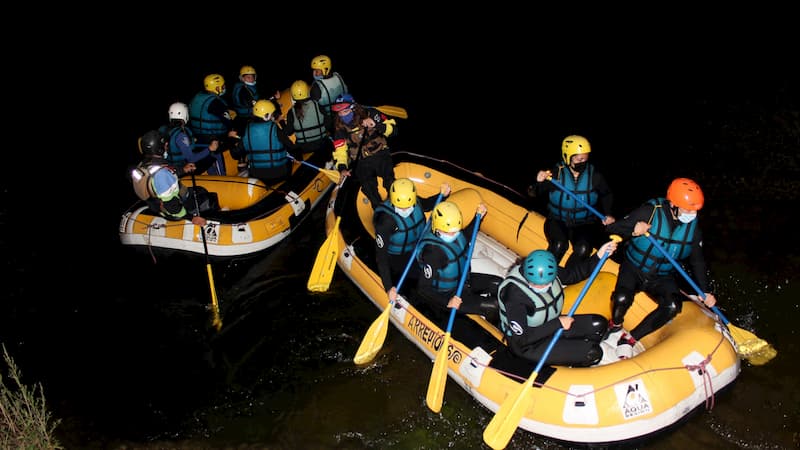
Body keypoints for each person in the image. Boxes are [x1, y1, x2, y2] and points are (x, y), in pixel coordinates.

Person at [605, 177, 717, 358]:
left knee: (673, 305)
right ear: (673, 204)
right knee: (622, 297)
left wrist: (705, 292)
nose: (692, 214)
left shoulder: (693, 229)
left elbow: (697, 261)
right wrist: (634, 230)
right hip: (634, 268)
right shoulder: (649, 211)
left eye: (694, 210)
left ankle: (629, 339)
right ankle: (615, 324)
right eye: (687, 209)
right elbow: (613, 229)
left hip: (662, 276)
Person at [497, 240, 617, 368]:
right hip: (529, 345)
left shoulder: (549, 271)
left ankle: (574, 349)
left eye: (546, 283)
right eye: (537, 284)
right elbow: (522, 339)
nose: (543, 287)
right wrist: (558, 323)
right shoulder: (513, 295)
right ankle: (575, 361)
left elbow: (573, 275)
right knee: (593, 353)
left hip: (550, 326)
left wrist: (599, 255)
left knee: (599, 324)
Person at [529, 135, 615, 268]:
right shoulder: (556, 174)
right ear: (567, 156)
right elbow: (533, 193)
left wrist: (608, 213)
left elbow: (606, 194)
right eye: (579, 158)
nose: (583, 161)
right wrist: (539, 182)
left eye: (585, 158)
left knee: (584, 249)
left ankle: (567, 277)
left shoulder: (595, 176)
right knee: (559, 244)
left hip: (584, 223)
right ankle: (545, 271)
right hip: (557, 219)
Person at [414, 201, 498, 328]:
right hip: (447, 293)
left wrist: (478, 217)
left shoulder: (453, 232)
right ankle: (496, 329)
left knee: (498, 284)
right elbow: (423, 288)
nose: (454, 235)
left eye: (456, 231)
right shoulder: (433, 253)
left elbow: (467, 235)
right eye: (449, 232)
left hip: (464, 281)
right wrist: (448, 301)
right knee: (492, 305)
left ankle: (500, 316)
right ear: (438, 228)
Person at [374, 179, 451, 304]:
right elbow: (381, 257)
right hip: (397, 257)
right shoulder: (385, 221)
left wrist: (441, 195)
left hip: (418, 247)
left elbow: (427, 204)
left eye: (409, 206)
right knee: (425, 278)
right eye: (400, 207)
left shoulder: (413, 200)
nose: (405, 210)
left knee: (439, 267)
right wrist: (388, 287)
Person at [130, 130, 217, 225]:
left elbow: (162, 174)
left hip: (155, 203)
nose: (167, 146)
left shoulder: (143, 165)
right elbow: (172, 206)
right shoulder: (162, 175)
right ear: (159, 149)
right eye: (165, 145)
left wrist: (183, 170)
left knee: (201, 190)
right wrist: (191, 218)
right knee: (210, 200)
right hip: (173, 210)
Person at [331, 93, 397, 208]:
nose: (342, 115)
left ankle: (397, 203)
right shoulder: (339, 128)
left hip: (380, 153)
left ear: (353, 108)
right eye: (339, 112)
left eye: (345, 111)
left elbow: (394, 130)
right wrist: (342, 168)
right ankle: (380, 210)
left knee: (390, 181)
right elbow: (340, 151)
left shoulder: (371, 113)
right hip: (361, 160)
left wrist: (376, 125)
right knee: (368, 188)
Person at [233, 99, 295, 184]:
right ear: (266, 116)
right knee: (288, 161)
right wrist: (297, 156)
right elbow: (290, 146)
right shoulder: (274, 128)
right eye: (272, 114)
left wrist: (232, 141)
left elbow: (235, 154)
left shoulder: (246, 130)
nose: (274, 117)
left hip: (257, 175)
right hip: (278, 173)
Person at [189, 73, 238, 175]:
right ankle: (224, 176)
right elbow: (228, 122)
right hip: (214, 138)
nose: (224, 88)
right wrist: (231, 131)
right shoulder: (216, 102)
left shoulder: (197, 97)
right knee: (234, 137)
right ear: (216, 88)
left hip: (199, 137)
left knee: (210, 162)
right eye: (222, 86)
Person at [161, 102, 224, 175]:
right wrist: (209, 148)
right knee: (215, 153)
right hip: (182, 169)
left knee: (205, 152)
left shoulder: (165, 130)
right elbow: (191, 159)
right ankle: (222, 176)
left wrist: (206, 145)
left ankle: (212, 177)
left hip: (170, 166)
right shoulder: (181, 135)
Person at [284, 79, 332, 156]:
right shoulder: (318, 105)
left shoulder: (291, 112)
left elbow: (289, 132)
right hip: (321, 144)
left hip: (303, 148)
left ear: (293, 95)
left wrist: (281, 122)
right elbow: (328, 124)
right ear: (307, 92)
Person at [310, 54, 348, 126]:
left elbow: (313, 108)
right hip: (343, 114)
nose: (314, 73)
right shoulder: (339, 77)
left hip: (329, 120)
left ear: (325, 70)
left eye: (317, 71)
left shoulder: (317, 86)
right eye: (314, 70)